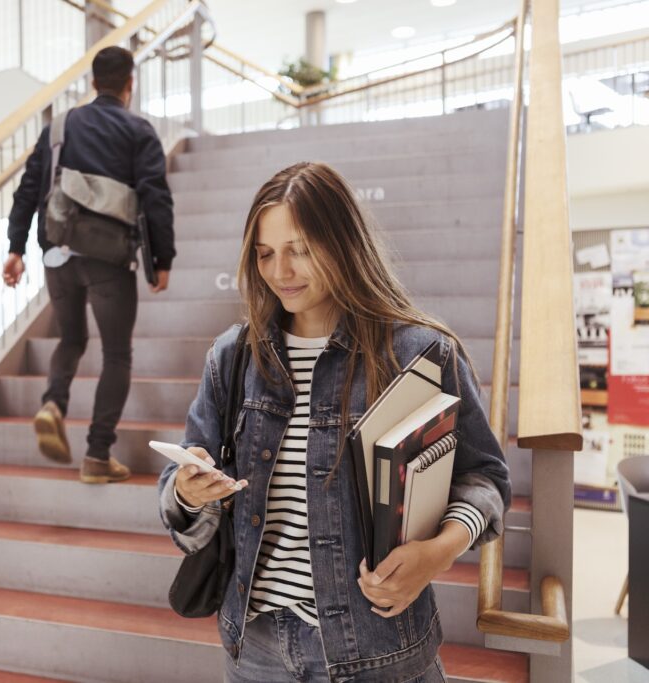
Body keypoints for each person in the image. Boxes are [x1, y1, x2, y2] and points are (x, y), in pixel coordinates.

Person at [158, 162, 510, 681]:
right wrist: (189, 491)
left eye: (299, 249)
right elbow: (182, 493)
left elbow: (485, 478)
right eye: (266, 254)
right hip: (255, 650)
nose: (281, 271)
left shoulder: (419, 353)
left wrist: (438, 553)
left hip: (378, 651)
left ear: (342, 242)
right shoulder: (233, 357)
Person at [3, 46, 175, 484]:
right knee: (116, 353)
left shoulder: (60, 126)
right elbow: (155, 195)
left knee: (72, 338)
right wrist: (161, 259)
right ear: (129, 83)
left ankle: (53, 403)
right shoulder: (139, 130)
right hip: (109, 259)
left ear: (93, 82)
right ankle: (97, 455)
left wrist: (16, 248)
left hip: (58, 254)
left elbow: (29, 188)